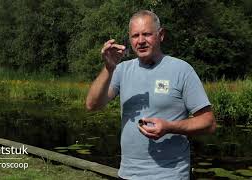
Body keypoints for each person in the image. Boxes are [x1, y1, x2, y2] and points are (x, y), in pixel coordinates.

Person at [85, 10, 216, 180]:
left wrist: (169, 127)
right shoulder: (121, 70)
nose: (140, 41)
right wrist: (109, 68)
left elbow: (209, 123)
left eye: (147, 34)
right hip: (128, 174)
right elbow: (92, 105)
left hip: (171, 175)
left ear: (161, 35)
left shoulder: (182, 70)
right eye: (135, 36)